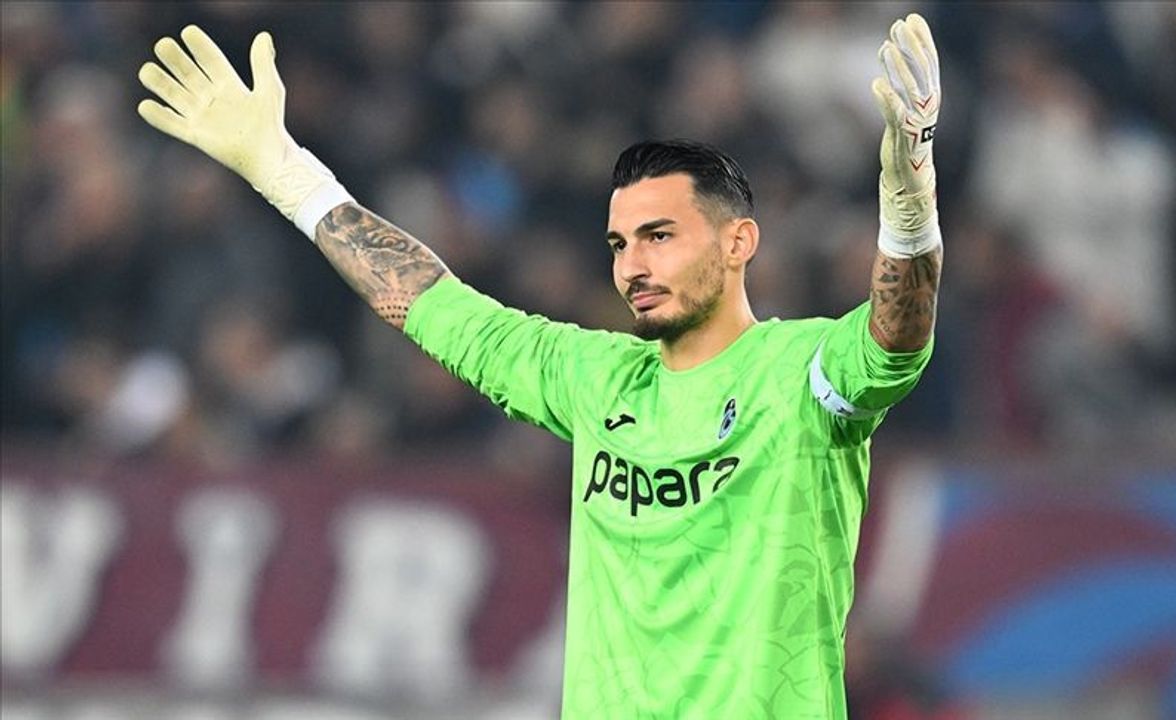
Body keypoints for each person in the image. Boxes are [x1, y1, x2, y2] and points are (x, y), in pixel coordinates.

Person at [136, 12, 943, 718]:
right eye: (619, 244)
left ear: (738, 243)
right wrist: (285, 173)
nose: (632, 265)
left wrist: (909, 213)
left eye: (659, 236)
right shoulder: (595, 378)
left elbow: (894, 340)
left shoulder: (799, 372)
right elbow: (434, 304)